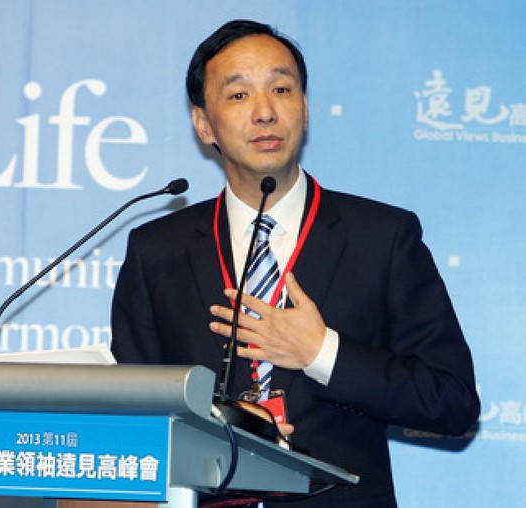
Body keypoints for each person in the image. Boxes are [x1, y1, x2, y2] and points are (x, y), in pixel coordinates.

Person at [110, 19, 480, 507]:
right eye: (239, 95)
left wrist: (321, 352)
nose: (265, 112)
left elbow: (451, 402)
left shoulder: (382, 238)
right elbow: (135, 417)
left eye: (281, 89)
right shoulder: (158, 251)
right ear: (204, 124)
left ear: (304, 107)